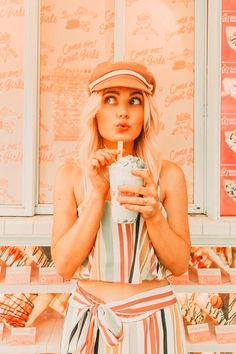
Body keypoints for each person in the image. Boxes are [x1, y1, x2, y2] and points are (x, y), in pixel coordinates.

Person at [52, 61, 191, 353]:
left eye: (135, 101)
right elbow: (64, 266)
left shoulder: (168, 175)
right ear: (95, 111)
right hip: (90, 320)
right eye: (110, 99)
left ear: (146, 113)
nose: (123, 111)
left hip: (154, 320)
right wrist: (97, 193)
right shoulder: (72, 175)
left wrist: (153, 215)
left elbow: (179, 264)